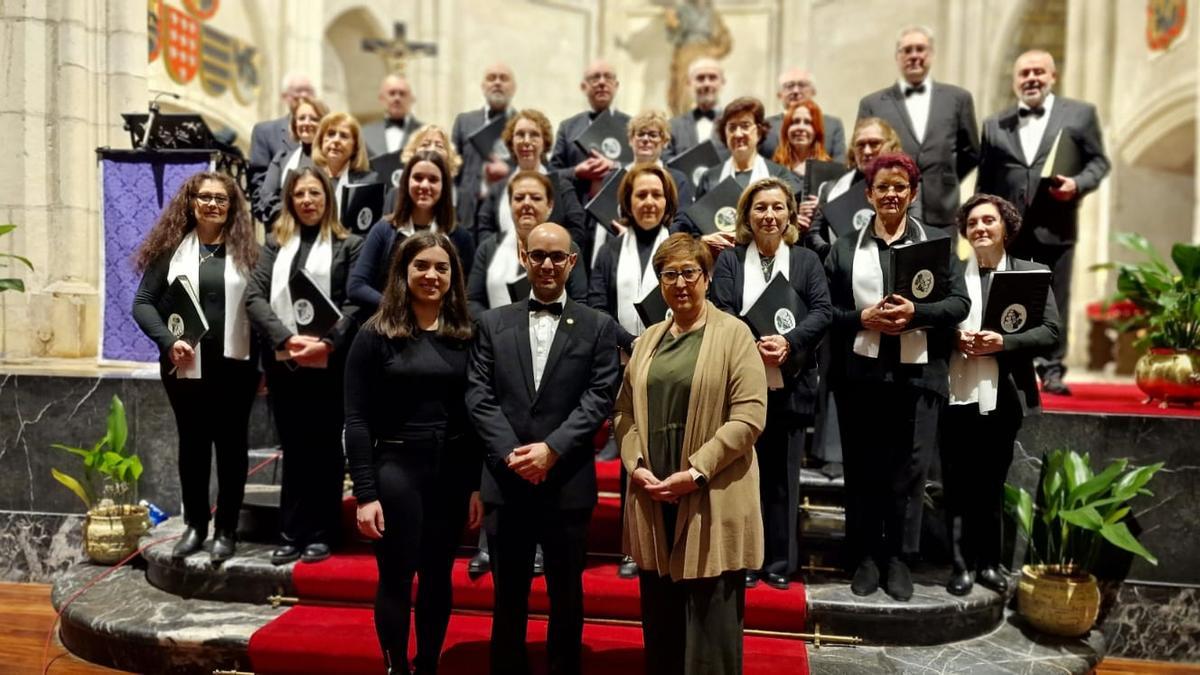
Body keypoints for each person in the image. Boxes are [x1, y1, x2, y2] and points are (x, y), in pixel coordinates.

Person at [465, 222, 620, 675]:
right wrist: (515, 455)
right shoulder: (492, 323)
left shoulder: (597, 326)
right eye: (538, 256)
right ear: (523, 257)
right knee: (507, 595)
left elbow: (599, 397)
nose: (547, 265)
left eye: (557, 257)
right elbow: (479, 396)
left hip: (566, 481)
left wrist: (550, 451)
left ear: (572, 261)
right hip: (506, 480)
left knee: (566, 596)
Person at [616, 232, 767, 673]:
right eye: (669, 274)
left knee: (710, 629)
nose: (680, 283)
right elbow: (623, 412)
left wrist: (697, 471)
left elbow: (750, 417)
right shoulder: (647, 341)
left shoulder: (735, 334)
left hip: (710, 496)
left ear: (706, 277)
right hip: (655, 495)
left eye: (689, 273)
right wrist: (636, 466)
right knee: (662, 625)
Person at [823, 153, 969, 601]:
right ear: (868, 193)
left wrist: (916, 313)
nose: (890, 194)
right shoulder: (845, 247)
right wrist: (862, 316)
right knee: (864, 468)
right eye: (882, 187)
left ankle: (900, 558)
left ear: (913, 193)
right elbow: (826, 311)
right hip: (862, 376)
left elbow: (959, 304)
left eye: (899, 187)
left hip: (918, 374)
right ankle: (866, 555)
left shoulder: (937, 244)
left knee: (908, 471)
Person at [345, 231, 485, 673]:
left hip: (451, 473)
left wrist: (478, 486)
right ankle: (396, 667)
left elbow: (476, 414)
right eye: (421, 266)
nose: (431, 275)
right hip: (396, 472)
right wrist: (365, 494)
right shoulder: (375, 333)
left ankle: (427, 665)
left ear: (453, 275)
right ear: (403, 273)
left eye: (441, 267)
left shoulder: (467, 332)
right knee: (397, 577)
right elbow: (357, 419)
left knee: (439, 577)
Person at [131, 172, 260, 563]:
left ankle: (226, 530)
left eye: (221, 199)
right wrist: (170, 342)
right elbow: (143, 303)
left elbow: (262, 309)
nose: (212, 204)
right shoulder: (171, 250)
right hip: (184, 367)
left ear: (232, 206)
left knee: (233, 448)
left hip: (236, 368)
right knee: (193, 445)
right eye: (204, 197)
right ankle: (196, 526)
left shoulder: (247, 253)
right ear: (191, 202)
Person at [710, 178, 832, 590]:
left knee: (782, 480)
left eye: (778, 207)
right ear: (747, 215)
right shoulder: (729, 261)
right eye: (760, 208)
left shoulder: (805, 261)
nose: (769, 215)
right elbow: (722, 309)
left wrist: (788, 341)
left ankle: (779, 561)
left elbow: (822, 311)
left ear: (790, 215)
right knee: (742, 477)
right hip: (739, 385)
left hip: (790, 383)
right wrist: (753, 344)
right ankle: (745, 558)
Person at [941, 193, 1060, 596]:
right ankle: (959, 565)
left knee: (991, 483)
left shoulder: (1031, 273)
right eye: (972, 223)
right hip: (955, 389)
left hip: (1003, 394)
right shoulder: (952, 274)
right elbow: (932, 323)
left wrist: (1003, 342)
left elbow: (1051, 331)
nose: (980, 228)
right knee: (956, 484)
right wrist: (955, 336)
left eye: (988, 221)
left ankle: (989, 563)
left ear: (1005, 228)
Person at [245, 166, 364, 565]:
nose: (308, 201)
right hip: (286, 363)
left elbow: (355, 303)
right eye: (300, 195)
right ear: (290, 201)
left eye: (315, 193)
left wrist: (327, 343)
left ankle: (321, 533)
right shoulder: (275, 245)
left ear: (327, 198)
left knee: (326, 450)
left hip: (330, 363)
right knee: (293, 450)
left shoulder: (349, 245)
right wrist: (286, 338)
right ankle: (292, 533)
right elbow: (254, 296)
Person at [975, 49, 1110, 396]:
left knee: (1055, 299)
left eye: (1039, 72)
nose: (1031, 78)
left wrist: (1077, 185)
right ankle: (1010, 365)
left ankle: (1052, 370)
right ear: (1015, 80)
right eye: (1024, 73)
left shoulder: (1080, 115)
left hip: (1056, 226)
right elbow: (985, 181)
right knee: (1006, 297)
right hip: (1009, 232)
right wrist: (979, 224)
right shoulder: (994, 124)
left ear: (1053, 76)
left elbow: (1098, 163)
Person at [856, 26, 979, 231]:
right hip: (891, 208)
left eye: (920, 49)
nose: (914, 56)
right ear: (897, 56)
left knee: (942, 263)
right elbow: (861, 155)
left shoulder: (958, 99)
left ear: (930, 54)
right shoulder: (872, 104)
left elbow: (972, 152)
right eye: (907, 50)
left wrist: (944, 173)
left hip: (943, 209)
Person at [348, 151, 474, 316]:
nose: (424, 185)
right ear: (406, 182)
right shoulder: (384, 230)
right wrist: (399, 307)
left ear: (444, 186)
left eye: (433, 180)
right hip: (388, 325)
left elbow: (463, 295)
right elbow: (356, 286)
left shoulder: (460, 237)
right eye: (418, 178)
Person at [672, 96, 800, 255]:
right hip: (719, 262)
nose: (738, 134)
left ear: (759, 131)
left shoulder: (778, 174)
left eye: (745, 126)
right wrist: (704, 241)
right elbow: (695, 227)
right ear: (724, 133)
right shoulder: (710, 178)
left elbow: (790, 227)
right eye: (732, 127)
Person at [583, 111, 694, 272]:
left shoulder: (677, 179)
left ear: (665, 141)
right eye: (640, 134)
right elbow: (600, 224)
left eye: (653, 135)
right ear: (630, 140)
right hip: (614, 256)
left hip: (661, 256)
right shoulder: (612, 178)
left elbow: (683, 224)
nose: (646, 139)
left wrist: (640, 236)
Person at [469, 170, 589, 318]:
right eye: (519, 198)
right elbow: (473, 301)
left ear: (550, 205)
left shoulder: (569, 247)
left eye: (536, 198)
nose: (526, 203)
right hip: (496, 336)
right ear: (510, 204)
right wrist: (492, 328)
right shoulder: (488, 248)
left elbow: (580, 301)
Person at [475, 109, 586, 245]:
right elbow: (485, 229)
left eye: (534, 135)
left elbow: (577, 231)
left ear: (545, 142)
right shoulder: (498, 189)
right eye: (520, 135)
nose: (526, 141)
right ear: (511, 142)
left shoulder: (562, 187)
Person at [805, 117, 908, 260]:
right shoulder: (831, 189)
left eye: (874, 144)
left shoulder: (906, 184)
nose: (866, 151)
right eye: (860, 145)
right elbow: (814, 235)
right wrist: (838, 254)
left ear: (890, 146)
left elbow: (915, 229)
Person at [549, 59, 631, 202]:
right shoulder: (567, 128)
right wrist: (576, 172)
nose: (601, 82)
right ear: (583, 87)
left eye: (608, 77)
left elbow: (647, 167)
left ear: (616, 85)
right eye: (595, 77)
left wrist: (615, 166)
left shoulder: (632, 126)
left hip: (621, 208)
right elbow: (552, 175)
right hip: (577, 209)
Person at [452, 63, 518, 232]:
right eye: (491, 78)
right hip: (467, 213)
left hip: (507, 211)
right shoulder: (464, 121)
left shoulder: (525, 123)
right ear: (483, 86)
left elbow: (538, 169)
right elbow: (453, 170)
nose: (497, 82)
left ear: (513, 87)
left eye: (503, 78)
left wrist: (509, 172)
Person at [255, 97, 329, 228]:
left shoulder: (333, 159)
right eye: (301, 118)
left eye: (314, 119)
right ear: (295, 124)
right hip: (286, 231)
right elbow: (265, 198)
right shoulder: (282, 158)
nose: (306, 123)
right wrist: (293, 216)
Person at [249, 72, 315, 210]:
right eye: (297, 91)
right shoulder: (265, 132)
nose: (303, 95)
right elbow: (259, 189)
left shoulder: (330, 133)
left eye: (308, 91)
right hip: (282, 222)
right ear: (285, 97)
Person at [761, 68, 846, 162]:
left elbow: (839, 165)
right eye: (789, 86)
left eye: (802, 85)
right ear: (779, 94)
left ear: (813, 92)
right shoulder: (765, 125)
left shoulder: (832, 125)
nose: (796, 91)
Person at [382, 124, 465, 215]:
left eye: (439, 146)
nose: (432, 149)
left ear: (449, 156)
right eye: (425, 144)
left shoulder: (462, 197)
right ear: (413, 153)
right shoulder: (394, 195)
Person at [311, 112, 377, 219]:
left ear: (355, 147)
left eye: (344, 136)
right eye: (331, 134)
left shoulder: (369, 182)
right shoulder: (308, 177)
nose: (336, 140)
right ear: (321, 141)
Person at [665, 57, 728, 160]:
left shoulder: (734, 126)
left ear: (722, 82)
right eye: (700, 78)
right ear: (689, 83)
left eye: (712, 78)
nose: (706, 84)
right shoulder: (672, 127)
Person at [362, 73, 423, 157]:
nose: (397, 98)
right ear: (381, 98)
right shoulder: (364, 133)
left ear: (412, 99)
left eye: (402, 93)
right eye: (392, 93)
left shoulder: (425, 133)